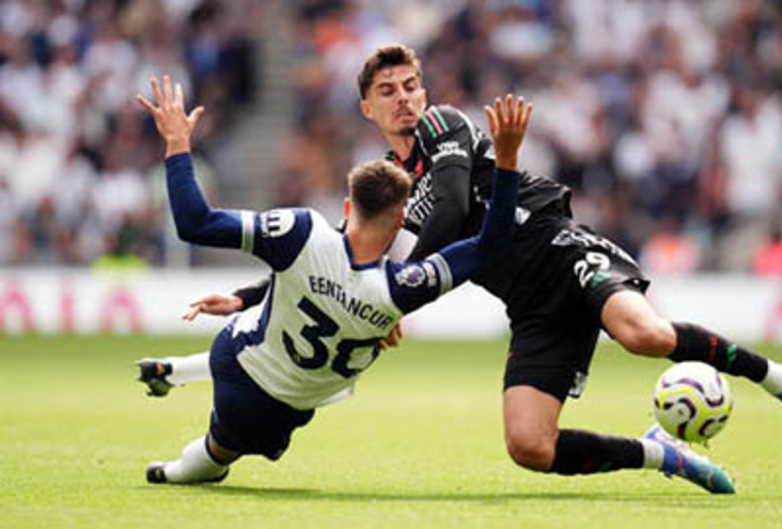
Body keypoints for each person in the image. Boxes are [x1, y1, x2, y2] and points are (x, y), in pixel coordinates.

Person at [144, 44, 782, 491]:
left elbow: (447, 207)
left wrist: (390, 298)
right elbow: (330, 262)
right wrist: (246, 296)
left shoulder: (447, 126)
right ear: (366, 107)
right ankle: (665, 454)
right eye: (389, 91)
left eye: (412, 83)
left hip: (560, 248)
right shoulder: (381, 181)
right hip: (527, 304)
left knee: (645, 336)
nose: (407, 97)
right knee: (528, 447)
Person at [135, 75, 530, 484]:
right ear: (400, 222)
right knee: (219, 452)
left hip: (237, 358)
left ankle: (175, 370)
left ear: (347, 205)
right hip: (285, 407)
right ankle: (173, 466)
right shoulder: (398, 292)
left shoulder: (301, 232)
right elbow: (490, 244)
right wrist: (506, 161)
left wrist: (177, 142)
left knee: (276, 314)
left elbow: (195, 223)